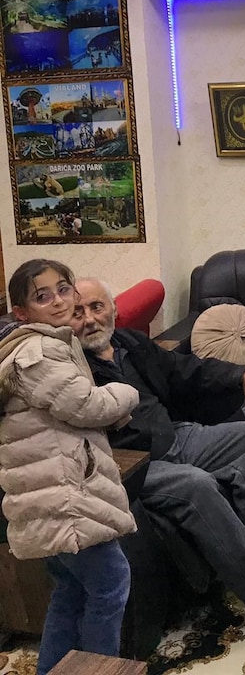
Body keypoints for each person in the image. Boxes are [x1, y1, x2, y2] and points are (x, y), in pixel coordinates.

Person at [71, 277, 245, 630]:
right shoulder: (73, 368)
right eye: (78, 312)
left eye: (96, 307)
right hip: (134, 464)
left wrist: (240, 376)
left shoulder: (129, 343)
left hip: (173, 438)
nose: (90, 319)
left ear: (113, 309)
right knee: (196, 484)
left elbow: (181, 369)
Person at [0, 260, 140, 675]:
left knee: (70, 591)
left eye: (63, 289)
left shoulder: (47, 343)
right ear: (22, 312)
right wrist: (126, 392)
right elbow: (86, 405)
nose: (59, 301)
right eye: (43, 297)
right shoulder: (38, 353)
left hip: (54, 491)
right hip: (64, 496)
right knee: (111, 583)